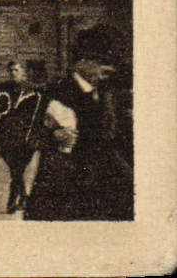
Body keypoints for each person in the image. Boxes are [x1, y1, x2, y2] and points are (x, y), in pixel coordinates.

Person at [26, 27, 132, 221]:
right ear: (83, 62)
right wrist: (52, 137)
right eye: (102, 63)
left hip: (104, 179)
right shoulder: (57, 91)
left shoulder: (107, 92)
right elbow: (31, 133)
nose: (108, 71)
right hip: (66, 181)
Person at [0, 60, 43, 213]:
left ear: (23, 73)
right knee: (14, 167)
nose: (13, 73)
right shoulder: (0, 89)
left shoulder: (33, 91)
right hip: (6, 135)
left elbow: (39, 115)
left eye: (16, 70)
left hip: (27, 135)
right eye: (11, 70)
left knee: (17, 168)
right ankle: (24, 197)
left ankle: (12, 201)